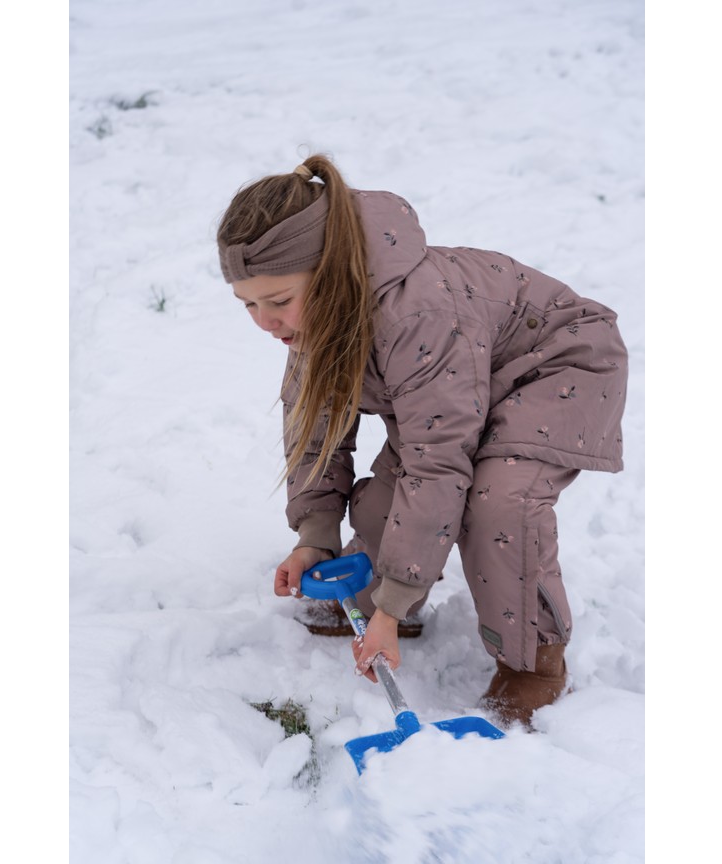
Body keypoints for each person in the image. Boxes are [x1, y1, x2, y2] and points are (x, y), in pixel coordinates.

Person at [217, 154, 629, 727]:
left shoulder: (416, 313)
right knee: (390, 501)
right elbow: (314, 431)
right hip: (465, 385)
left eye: (278, 300)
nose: (265, 322)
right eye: (248, 304)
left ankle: (532, 663)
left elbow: (437, 464)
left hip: (554, 366)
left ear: (332, 270)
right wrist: (315, 537)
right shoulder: (310, 325)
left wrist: (392, 601)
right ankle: (385, 606)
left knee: (499, 503)